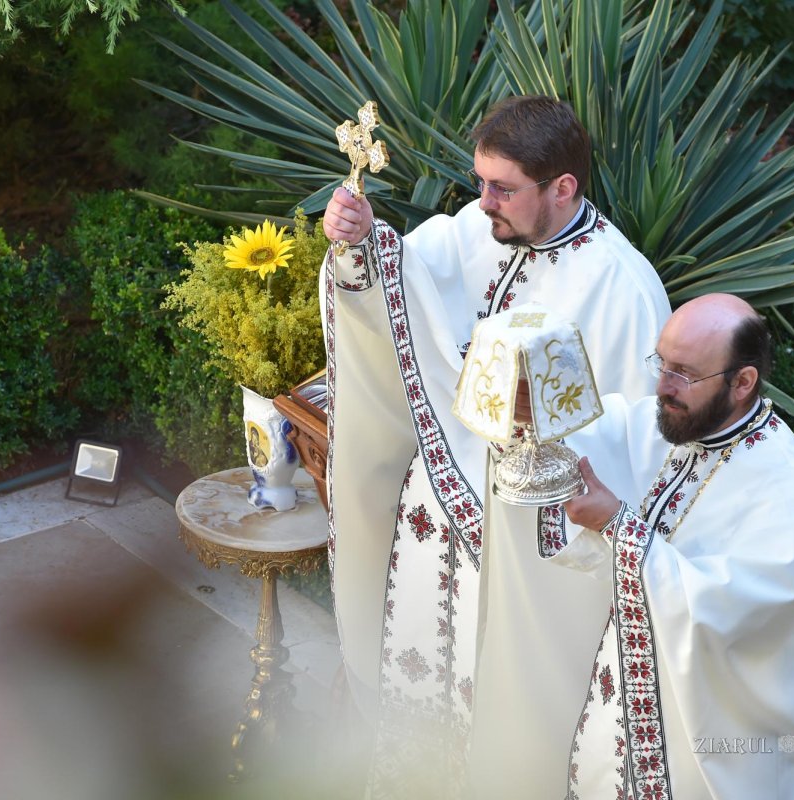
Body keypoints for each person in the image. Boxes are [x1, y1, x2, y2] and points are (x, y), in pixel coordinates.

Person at [319, 95, 671, 796]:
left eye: (502, 188)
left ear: (563, 187)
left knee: (501, 720)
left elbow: (639, 448)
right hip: (431, 535)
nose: (482, 202)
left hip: (525, 558)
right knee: (420, 696)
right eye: (480, 182)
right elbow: (397, 287)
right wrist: (356, 241)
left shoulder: (622, 289)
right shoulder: (478, 232)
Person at [500, 293, 794, 798]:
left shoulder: (790, 487)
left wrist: (620, 528)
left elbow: (736, 613)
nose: (663, 385)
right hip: (628, 712)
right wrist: (535, 412)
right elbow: (601, 429)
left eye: (684, 372)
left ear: (743, 381)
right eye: (661, 363)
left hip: (722, 744)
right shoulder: (676, 422)